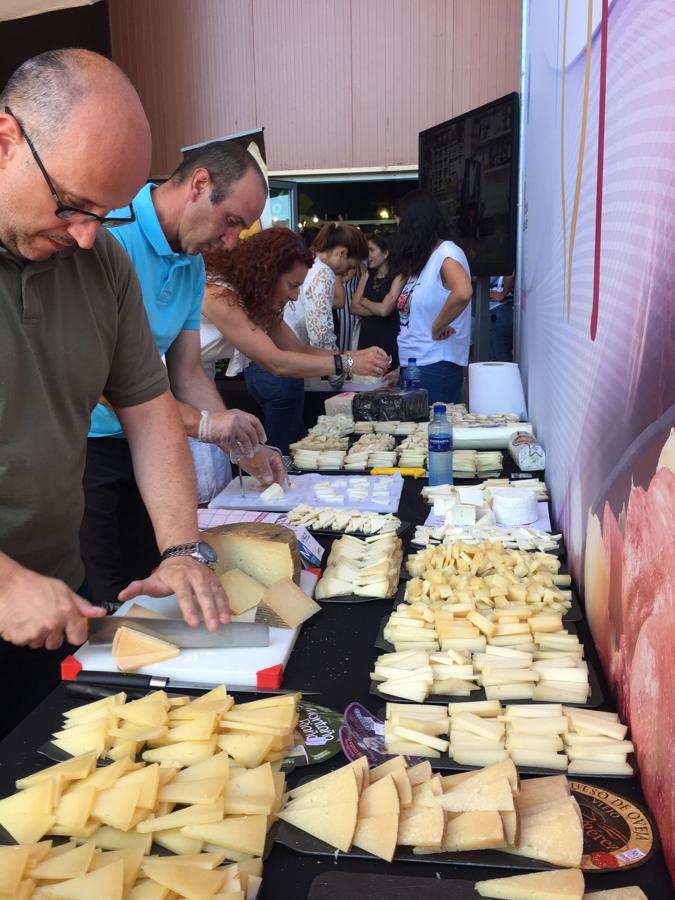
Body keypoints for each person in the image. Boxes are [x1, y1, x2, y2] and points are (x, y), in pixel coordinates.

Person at [0, 49, 228, 735]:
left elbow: (151, 412)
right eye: (72, 205)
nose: (87, 234)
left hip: (55, 605)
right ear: (6, 142)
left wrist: (181, 548)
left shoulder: (102, 263)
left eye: (106, 212)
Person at [80, 140, 284, 605]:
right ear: (199, 185)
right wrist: (206, 424)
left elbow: (188, 371)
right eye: (232, 221)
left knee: (150, 587)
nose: (232, 241)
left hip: (148, 446)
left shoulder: (191, 264)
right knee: (103, 597)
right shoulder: (109, 232)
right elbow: (100, 380)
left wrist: (240, 445)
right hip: (87, 446)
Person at [200, 227, 390, 452]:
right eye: (293, 285)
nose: (295, 296)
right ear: (267, 274)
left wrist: (354, 356)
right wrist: (348, 363)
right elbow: (277, 362)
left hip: (202, 387)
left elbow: (298, 348)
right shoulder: (221, 296)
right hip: (182, 389)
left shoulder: (259, 300)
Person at [391, 189, 473, 403]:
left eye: (401, 225)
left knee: (430, 433)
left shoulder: (447, 253)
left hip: (436, 364)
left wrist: (438, 325)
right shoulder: (423, 259)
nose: (398, 233)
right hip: (415, 365)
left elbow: (463, 291)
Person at [283, 222, 368, 352]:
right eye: (350, 266)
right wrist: (344, 365)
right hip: (294, 353)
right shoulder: (324, 272)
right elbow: (321, 337)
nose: (347, 272)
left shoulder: (310, 260)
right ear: (342, 253)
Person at [352, 233, 402, 368]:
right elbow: (353, 307)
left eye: (372, 250)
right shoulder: (368, 274)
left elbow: (385, 310)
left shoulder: (399, 276)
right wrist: (378, 308)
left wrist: (365, 302)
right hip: (366, 338)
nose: (367, 255)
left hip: (387, 338)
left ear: (386, 253)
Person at [489, 272, 515, 361]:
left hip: (500, 309)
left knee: (502, 360)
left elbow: (510, 273)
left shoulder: (499, 259)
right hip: (502, 310)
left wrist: (502, 294)